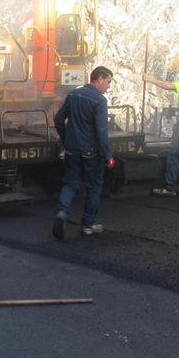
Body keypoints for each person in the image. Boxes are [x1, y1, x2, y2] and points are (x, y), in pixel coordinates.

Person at [52, 65, 115, 240]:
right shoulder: (100, 101)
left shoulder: (73, 94)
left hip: (72, 149)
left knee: (70, 184)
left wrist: (66, 139)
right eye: (108, 82)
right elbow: (102, 131)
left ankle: (62, 212)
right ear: (100, 79)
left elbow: (58, 119)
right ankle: (88, 225)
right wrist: (109, 155)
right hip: (91, 151)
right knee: (94, 187)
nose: (109, 86)